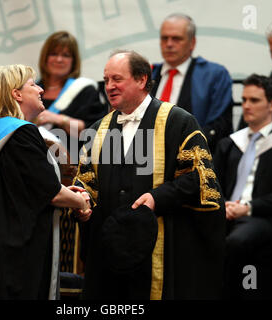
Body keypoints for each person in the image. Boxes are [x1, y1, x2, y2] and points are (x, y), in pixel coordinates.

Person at [72, 50, 226, 299]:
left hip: (160, 247)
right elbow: (87, 182)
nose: (109, 86)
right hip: (110, 249)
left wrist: (159, 197)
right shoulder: (97, 129)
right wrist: (82, 202)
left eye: (117, 79)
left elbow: (201, 179)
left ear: (142, 80)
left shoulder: (179, 122)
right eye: (106, 80)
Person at [0, 64, 92, 300]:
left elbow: (23, 187)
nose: (41, 89)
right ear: (17, 94)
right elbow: (50, 193)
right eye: (33, 84)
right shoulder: (22, 133)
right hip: (16, 253)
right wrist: (81, 202)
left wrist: (66, 191)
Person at [213, 74, 272, 299]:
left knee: (239, 241)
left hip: (265, 219)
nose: (246, 106)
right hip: (226, 213)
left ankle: (243, 293)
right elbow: (212, 183)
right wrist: (223, 205)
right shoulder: (229, 144)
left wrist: (248, 207)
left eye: (254, 100)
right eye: (244, 100)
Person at [151, 13, 233, 152]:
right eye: (165, 38)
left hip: (192, 161)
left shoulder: (214, 75)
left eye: (176, 39)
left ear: (192, 43)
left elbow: (219, 126)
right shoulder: (149, 74)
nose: (169, 44)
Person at [35, 30, 107, 162]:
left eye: (66, 55)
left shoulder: (86, 91)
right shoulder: (31, 90)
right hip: (34, 160)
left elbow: (91, 134)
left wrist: (59, 119)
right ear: (45, 57)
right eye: (53, 54)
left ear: (74, 61)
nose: (59, 59)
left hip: (71, 166)